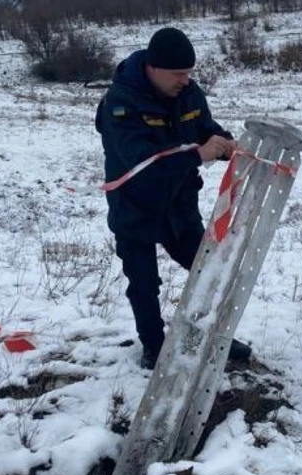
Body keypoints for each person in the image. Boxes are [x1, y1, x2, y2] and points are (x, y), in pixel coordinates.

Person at [94, 27, 252, 370]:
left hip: (178, 205)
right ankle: (154, 346)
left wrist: (224, 144)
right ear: (152, 67)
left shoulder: (189, 93)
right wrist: (199, 154)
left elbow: (204, 128)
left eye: (189, 72)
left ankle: (212, 335)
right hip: (134, 206)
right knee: (144, 282)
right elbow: (141, 161)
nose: (186, 80)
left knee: (207, 269)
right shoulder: (120, 103)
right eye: (178, 73)